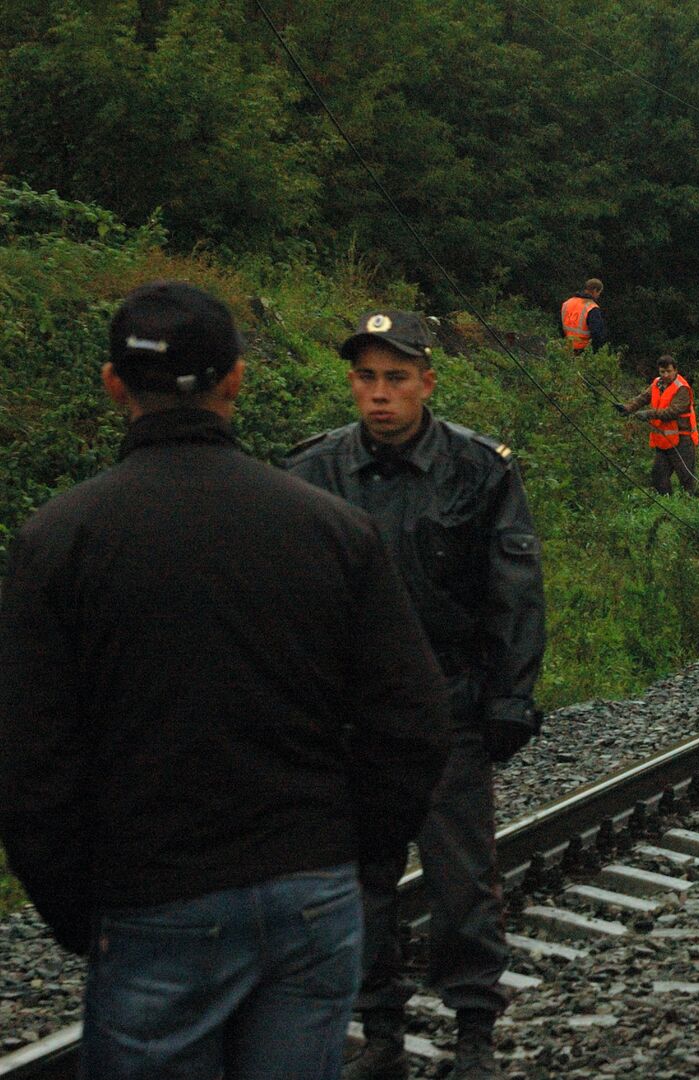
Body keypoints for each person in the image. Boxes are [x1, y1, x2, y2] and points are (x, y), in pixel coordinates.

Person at [0, 283, 450, 1080]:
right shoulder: (330, 528)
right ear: (236, 380)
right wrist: (356, 861)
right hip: (309, 891)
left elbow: (31, 755)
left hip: (153, 895)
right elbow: (411, 718)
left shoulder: (59, 541)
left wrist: (77, 907)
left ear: (112, 383)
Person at [288, 311, 547, 1080]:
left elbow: (515, 589)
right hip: (347, 715)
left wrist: (510, 696)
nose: (379, 395)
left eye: (396, 378)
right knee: (360, 879)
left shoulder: (478, 467)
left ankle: (473, 1031)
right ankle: (381, 1031)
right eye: (366, 378)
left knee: (460, 877)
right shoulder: (312, 472)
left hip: (447, 706)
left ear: (427, 382)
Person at [617, 353, 699, 495]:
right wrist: (627, 408)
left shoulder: (682, 388)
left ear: (675, 370)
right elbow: (643, 398)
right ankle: (667, 505)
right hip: (663, 439)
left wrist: (648, 414)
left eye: (669, 371)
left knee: (686, 478)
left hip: (682, 439)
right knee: (659, 476)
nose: (666, 375)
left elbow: (672, 412)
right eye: (662, 372)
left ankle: (696, 505)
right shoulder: (657, 383)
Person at [559, 278, 609, 354]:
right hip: (583, 350)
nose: (599, 295)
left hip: (567, 347)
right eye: (599, 293)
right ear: (595, 290)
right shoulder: (592, 307)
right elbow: (597, 333)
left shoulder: (568, 303)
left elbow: (560, 325)